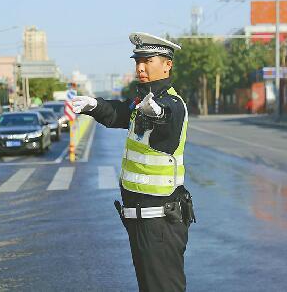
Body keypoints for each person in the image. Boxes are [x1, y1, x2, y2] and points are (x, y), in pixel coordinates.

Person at [72, 32, 195, 292]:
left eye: (148, 61)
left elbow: (168, 125)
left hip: (160, 222)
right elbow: (118, 113)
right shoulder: (141, 102)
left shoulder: (172, 103)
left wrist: (159, 114)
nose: (140, 67)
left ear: (167, 64)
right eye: (137, 61)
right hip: (140, 221)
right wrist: (94, 105)